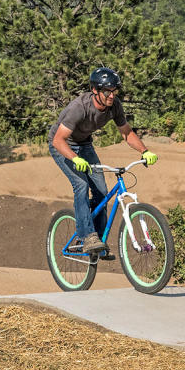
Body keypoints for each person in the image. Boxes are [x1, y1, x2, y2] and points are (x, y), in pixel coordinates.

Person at [49, 66, 157, 256]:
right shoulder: (79, 108)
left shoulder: (114, 106)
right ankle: (87, 236)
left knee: (102, 192)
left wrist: (144, 151)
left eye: (114, 91)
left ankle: (97, 242)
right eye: (107, 91)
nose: (111, 96)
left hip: (85, 145)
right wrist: (74, 158)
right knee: (81, 185)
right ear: (95, 91)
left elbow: (126, 132)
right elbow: (58, 140)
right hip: (63, 146)